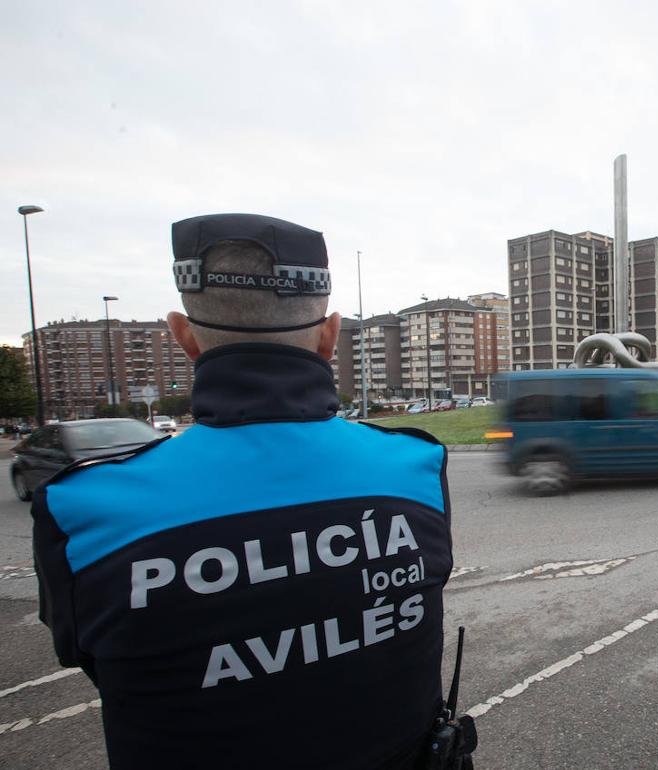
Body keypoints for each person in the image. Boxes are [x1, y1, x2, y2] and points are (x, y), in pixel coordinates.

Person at [32, 214, 462, 769]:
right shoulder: (414, 467)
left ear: (183, 336)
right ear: (330, 336)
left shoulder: (83, 506)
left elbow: (90, 657)